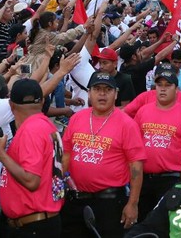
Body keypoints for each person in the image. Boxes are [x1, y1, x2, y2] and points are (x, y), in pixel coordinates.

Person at [61, 70, 146, 236]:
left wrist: (133, 204)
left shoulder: (127, 124)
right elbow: (66, 155)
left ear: (116, 94)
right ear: (89, 93)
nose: (102, 94)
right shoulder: (77, 118)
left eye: (107, 90)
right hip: (76, 200)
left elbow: (136, 166)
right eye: (97, 89)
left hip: (109, 203)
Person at [0, 79, 64, 236]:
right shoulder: (47, 125)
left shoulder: (31, 130)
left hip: (34, 225)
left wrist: (0, 153)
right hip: (42, 221)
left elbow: (31, 181)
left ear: (11, 105)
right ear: (41, 102)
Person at [133, 67, 181, 221]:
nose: (163, 89)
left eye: (168, 85)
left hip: (171, 178)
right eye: (159, 85)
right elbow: (135, 144)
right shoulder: (143, 111)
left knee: (166, 221)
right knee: (143, 220)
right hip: (144, 178)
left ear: (176, 90)